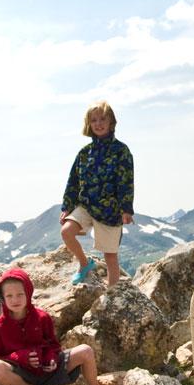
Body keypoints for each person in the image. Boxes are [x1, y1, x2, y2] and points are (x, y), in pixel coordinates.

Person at [0, 268, 120, 385]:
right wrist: (21, 358)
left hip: (47, 371)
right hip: (22, 376)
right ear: (3, 298)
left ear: (28, 293)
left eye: (20, 294)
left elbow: (53, 346)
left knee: (85, 351)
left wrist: (51, 359)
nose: (15, 300)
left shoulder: (42, 317)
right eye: (9, 296)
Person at [60, 100, 134, 287]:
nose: (98, 123)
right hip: (85, 205)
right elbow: (73, 181)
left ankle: (112, 293)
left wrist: (126, 209)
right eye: (94, 120)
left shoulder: (121, 151)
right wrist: (67, 206)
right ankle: (85, 264)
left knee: (110, 256)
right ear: (89, 124)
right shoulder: (84, 153)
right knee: (67, 232)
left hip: (110, 210)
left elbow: (126, 181)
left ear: (111, 122)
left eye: (102, 119)